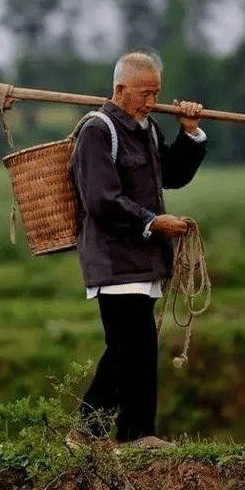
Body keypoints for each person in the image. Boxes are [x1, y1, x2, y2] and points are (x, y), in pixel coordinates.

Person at [67, 51, 207, 450]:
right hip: (113, 259)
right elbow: (101, 200)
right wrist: (152, 222)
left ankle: (96, 434)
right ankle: (133, 435)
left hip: (143, 260)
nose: (150, 101)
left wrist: (191, 132)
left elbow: (173, 175)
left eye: (156, 93)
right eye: (144, 94)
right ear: (120, 90)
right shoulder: (98, 131)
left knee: (129, 349)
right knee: (135, 347)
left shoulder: (147, 128)